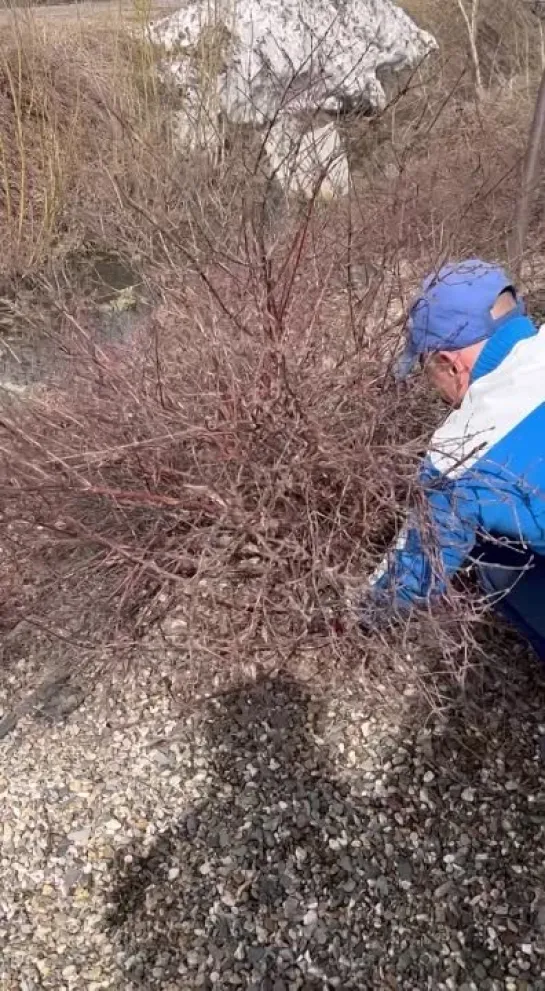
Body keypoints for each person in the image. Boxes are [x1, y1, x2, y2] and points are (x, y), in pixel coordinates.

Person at [360, 257, 545, 660]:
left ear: (449, 364)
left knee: (497, 572)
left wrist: (358, 617)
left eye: (428, 372)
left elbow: (413, 575)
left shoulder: (465, 448)